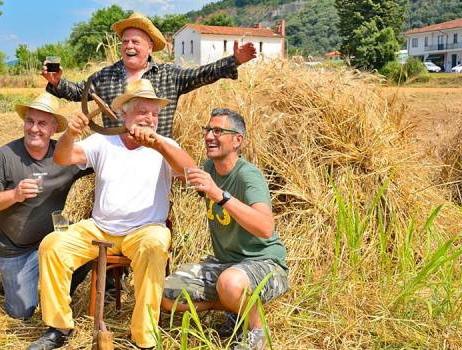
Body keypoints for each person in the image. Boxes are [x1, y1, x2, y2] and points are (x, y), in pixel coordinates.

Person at [27, 79, 196, 350]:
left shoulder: (166, 145)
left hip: (145, 229)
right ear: (124, 113)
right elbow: (62, 158)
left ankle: (144, 337)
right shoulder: (103, 141)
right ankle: (59, 327)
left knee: (155, 244)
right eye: (142, 111)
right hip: (99, 228)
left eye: (154, 113)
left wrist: (160, 146)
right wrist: (70, 133)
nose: (150, 119)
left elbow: (190, 174)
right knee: (53, 245)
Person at [161, 108, 289, 350]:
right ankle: (237, 308)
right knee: (169, 295)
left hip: (267, 265)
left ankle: (258, 332)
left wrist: (219, 195)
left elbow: (265, 227)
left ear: (237, 140)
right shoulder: (209, 168)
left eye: (218, 131)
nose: (209, 136)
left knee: (230, 283)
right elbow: (186, 171)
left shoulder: (248, 176)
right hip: (226, 265)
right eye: (207, 130)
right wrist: (157, 142)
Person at [41, 12, 258, 138]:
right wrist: (58, 82)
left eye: (136, 42)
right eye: (125, 42)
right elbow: (79, 92)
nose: (129, 46)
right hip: (115, 156)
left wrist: (234, 60)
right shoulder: (105, 76)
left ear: (150, 46)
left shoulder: (168, 75)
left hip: (156, 156)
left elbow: (203, 74)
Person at [0, 92, 92, 319]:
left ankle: (52, 292)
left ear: (53, 128)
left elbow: (103, 159)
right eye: (29, 121)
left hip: (51, 239)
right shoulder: (4, 156)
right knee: (23, 313)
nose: (34, 129)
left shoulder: (64, 155)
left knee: (89, 252)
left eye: (42, 123)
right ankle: (8, 281)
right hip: (14, 246)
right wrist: (14, 194)